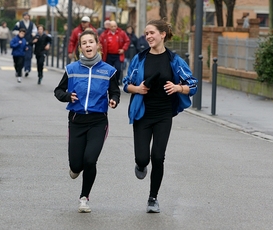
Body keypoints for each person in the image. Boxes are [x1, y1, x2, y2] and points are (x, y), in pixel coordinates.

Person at [122, 19, 197, 213]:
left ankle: (153, 198)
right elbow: (125, 83)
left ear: (162, 34)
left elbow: (193, 85)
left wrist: (178, 87)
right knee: (142, 158)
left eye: (151, 33)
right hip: (142, 114)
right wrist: (137, 88)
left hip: (164, 114)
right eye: (146, 33)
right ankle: (140, 164)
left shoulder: (174, 60)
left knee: (158, 156)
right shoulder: (139, 59)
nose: (148, 37)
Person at [54, 30, 120, 213]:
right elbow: (58, 91)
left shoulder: (109, 70)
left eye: (91, 42)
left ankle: (84, 197)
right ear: (80, 47)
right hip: (76, 121)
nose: (88, 45)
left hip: (98, 121)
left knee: (90, 160)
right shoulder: (72, 69)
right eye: (84, 43)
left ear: (98, 45)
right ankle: (76, 168)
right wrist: (67, 96)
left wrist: (114, 99)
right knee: (76, 165)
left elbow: (115, 91)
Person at [12, 12, 37, 77]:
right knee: (20, 58)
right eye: (25, 16)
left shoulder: (32, 24)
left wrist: (33, 34)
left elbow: (35, 30)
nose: (26, 17)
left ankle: (27, 69)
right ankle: (19, 69)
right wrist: (19, 34)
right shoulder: (19, 23)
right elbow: (14, 30)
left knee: (28, 57)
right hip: (20, 43)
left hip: (29, 42)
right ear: (23, 16)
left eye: (27, 16)